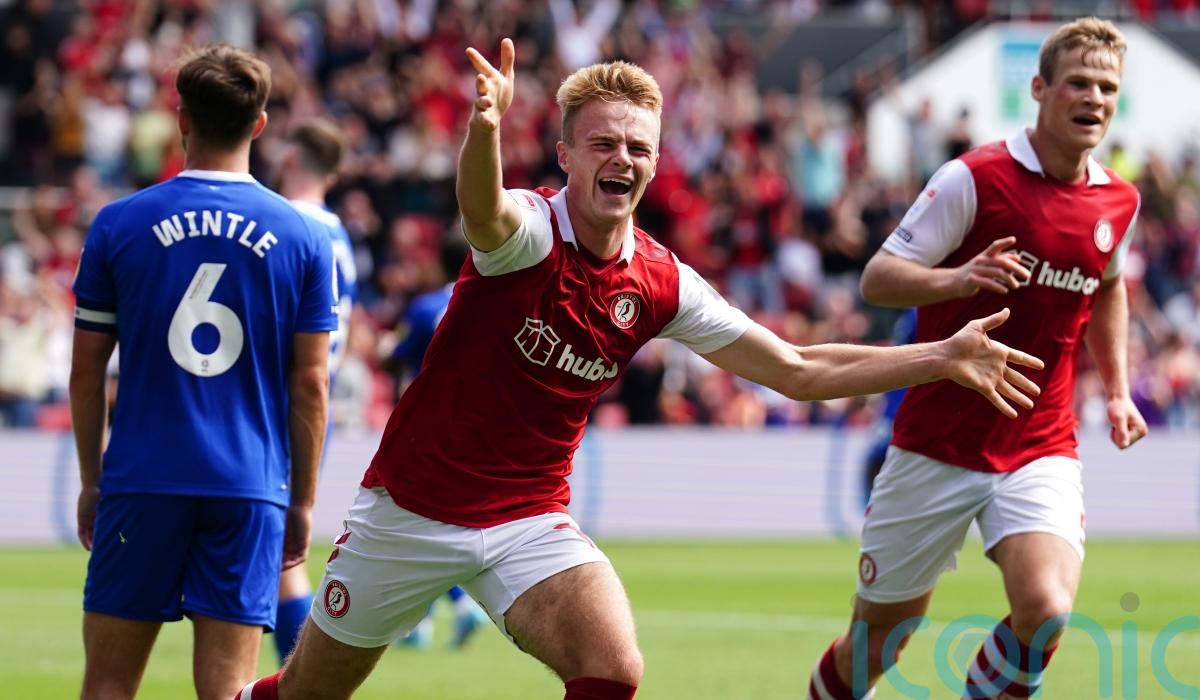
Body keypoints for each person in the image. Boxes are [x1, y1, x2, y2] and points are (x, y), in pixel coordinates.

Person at [236, 39, 1043, 700]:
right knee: (308, 692)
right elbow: (483, 210)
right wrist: (484, 128)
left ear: (655, 163)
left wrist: (941, 356)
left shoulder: (661, 283)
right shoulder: (529, 234)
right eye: (603, 143)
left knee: (613, 668)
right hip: (411, 511)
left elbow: (796, 367)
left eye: (638, 147)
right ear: (565, 155)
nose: (622, 158)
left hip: (526, 520)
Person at [806, 18, 1147, 700]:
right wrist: (959, 278)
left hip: (1039, 442)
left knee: (1046, 609)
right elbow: (878, 278)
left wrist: (1116, 389)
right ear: (1039, 89)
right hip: (936, 442)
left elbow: (1108, 285)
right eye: (1079, 82)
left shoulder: (1119, 201)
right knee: (877, 646)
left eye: (1107, 87)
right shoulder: (975, 179)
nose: (1094, 98)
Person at [70, 44, 336, 700]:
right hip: (248, 484)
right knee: (228, 690)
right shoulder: (304, 237)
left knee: (108, 685)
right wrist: (303, 500)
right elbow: (311, 384)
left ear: (181, 118)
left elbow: (86, 371)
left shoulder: (118, 223)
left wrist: (91, 480)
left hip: (142, 477)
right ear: (260, 124)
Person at [271, 117, 359, 664]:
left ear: (288, 159)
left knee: (274, 560)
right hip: (312, 403)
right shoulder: (339, 235)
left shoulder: (287, 226)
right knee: (281, 559)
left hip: (278, 401)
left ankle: (296, 683)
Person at [386, 233, 490, 650]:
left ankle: (459, 605)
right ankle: (422, 623)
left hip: (426, 428)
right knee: (434, 522)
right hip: (478, 427)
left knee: (414, 521)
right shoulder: (492, 299)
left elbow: (398, 356)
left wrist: (387, 349)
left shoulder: (426, 306)